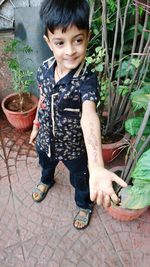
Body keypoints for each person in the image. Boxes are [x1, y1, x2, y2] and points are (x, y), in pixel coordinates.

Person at [29, 0, 127, 230]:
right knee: (45, 164)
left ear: (87, 37)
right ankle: (46, 181)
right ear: (48, 42)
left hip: (74, 149)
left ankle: (84, 205)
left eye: (78, 40)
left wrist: (96, 166)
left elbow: (89, 115)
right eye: (60, 42)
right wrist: (35, 125)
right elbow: (43, 99)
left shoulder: (87, 80)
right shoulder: (44, 69)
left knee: (81, 179)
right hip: (45, 139)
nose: (70, 51)